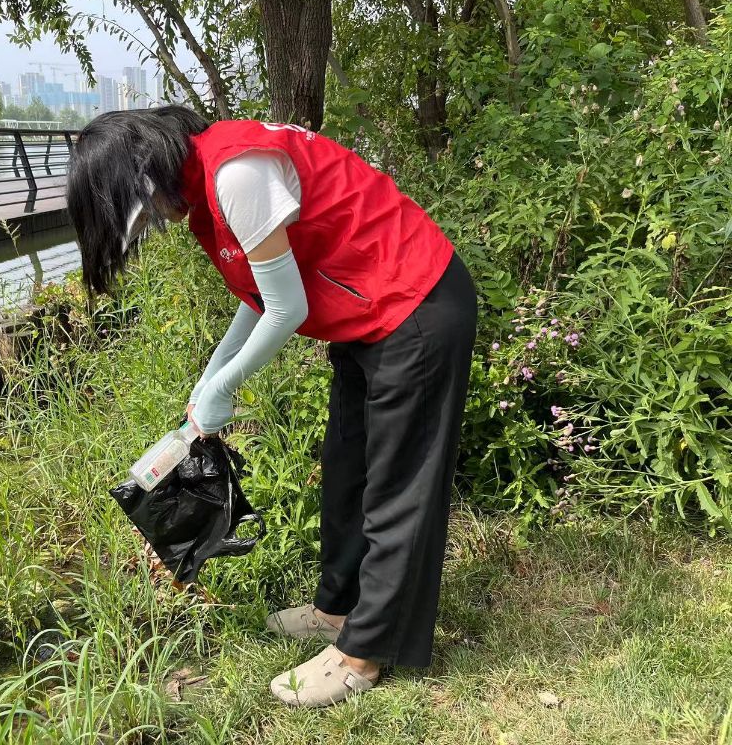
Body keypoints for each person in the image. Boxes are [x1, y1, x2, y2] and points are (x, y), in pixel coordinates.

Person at [66, 105, 477, 707]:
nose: (154, 221)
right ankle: (337, 609)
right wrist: (214, 372)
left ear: (145, 173)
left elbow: (288, 308)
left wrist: (227, 386)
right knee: (347, 470)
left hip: (415, 307)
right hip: (368, 317)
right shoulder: (211, 179)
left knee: (397, 486)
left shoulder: (237, 173)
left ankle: (363, 655)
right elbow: (261, 292)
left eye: (144, 210)